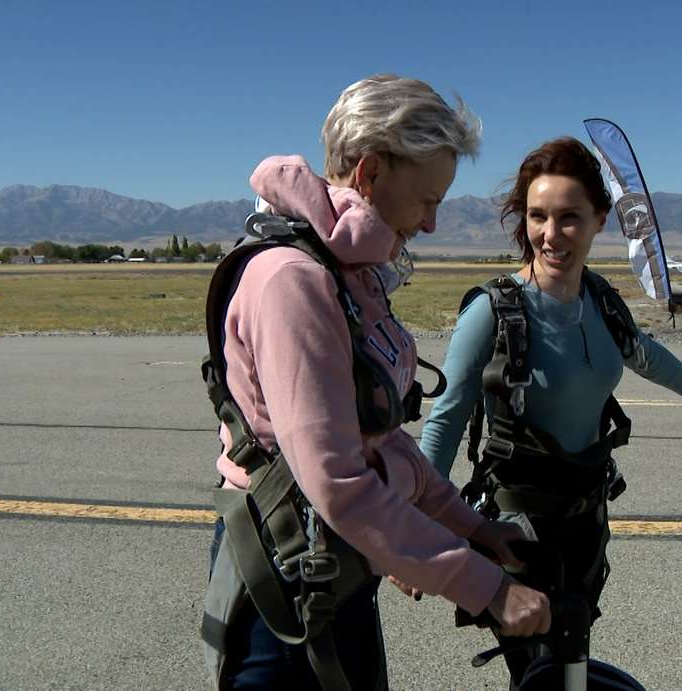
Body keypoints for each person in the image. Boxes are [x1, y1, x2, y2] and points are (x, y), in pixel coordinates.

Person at [201, 75, 550, 690]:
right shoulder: (294, 281)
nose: (432, 223)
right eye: (427, 200)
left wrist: (471, 528)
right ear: (368, 174)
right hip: (282, 589)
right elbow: (338, 483)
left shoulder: (348, 274)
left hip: (332, 571)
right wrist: (488, 590)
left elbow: (382, 442)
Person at [419, 136, 682, 685]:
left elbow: (643, 354)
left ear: (599, 219)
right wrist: (417, 531)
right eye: (538, 216)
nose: (550, 234)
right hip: (519, 529)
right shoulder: (492, 311)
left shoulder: (603, 302)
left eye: (569, 217)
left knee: (571, 657)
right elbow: (446, 418)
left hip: (586, 521)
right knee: (540, 667)